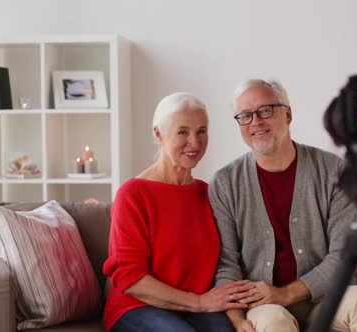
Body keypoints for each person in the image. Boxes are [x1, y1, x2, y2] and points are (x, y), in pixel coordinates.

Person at [208, 80, 357, 332]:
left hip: (326, 298)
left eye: (266, 110)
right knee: (273, 323)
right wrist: (237, 319)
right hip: (264, 307)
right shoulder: (224, 183)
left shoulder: (335, 171)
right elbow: (226, 264)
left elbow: (344, 255)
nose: (256, 122)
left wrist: (286, 294)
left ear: (288, 114)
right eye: (245, 115)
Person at [103, 92, 253, 332]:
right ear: (158, 134)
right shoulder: (133, 194)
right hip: (137, 307)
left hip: (195, 309)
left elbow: (226, 262)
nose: (194, 142)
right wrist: (199, 302)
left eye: (201, 131)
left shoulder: (209, 193)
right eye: (183, 132)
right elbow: (130, 278)